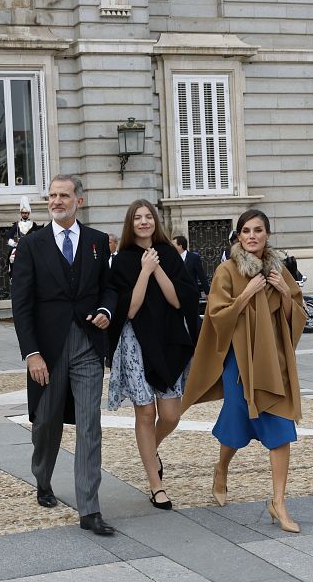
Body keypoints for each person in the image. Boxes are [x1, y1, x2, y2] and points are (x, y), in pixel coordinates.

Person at [181, 209, 307, 533]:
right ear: (238, 236)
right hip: (239, 362)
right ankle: (221, 468)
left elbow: (299, 314)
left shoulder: (279, 271)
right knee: (237, 422)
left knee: (281, 427)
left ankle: (278, 503)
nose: (252, 236)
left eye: (259, 230)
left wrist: (282, 291)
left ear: (267, 235)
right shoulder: (227, 271)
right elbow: (216, 315)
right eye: (246, 231)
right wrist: (246, 294)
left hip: (273, 360)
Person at [11, 174, 117, 536]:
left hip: (88, 346)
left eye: (64, 195)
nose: (57, 201)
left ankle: (89, 509)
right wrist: (32, 354)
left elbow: (110, 290)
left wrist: (106, 311)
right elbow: (21, 305)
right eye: (52, 195)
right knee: (46, 424)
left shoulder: (98, 242)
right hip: (48, 351)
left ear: (79, 201)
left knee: (90, 426)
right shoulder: (32, 245)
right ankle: (42, 478)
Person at [107, 200, 196, 511]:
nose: (143, 222)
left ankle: (149, 451)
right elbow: (129, 309)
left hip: (168, 339)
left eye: (148, 217)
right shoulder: (121, 261)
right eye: (137, 218)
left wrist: (157, 267)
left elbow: (177, 301)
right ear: (130, 224)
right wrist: (144, 271)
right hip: (136, 343)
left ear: (155, 222)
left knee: (171, 415)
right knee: (145, 414)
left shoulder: (169, 254)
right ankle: (156, 486)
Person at [172, 234, 207, 345]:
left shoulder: (193, 258)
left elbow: (201, 275)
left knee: (194, 318)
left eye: (173, 245)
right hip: (177, 295)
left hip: (192, 294)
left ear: (180, 245)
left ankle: (197, 342)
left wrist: (208, 292)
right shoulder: (172, 259)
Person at [6, 196, 42, 277]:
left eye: (26, 213)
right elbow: (9, 235)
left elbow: (37, 236)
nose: (24, 214)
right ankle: (13, 275)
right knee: (12, 258)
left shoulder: (33, 224)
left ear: (28, 213)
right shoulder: (16, 224)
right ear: (21, 213)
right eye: (23, 213)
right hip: (19, 246)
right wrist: (14, 244)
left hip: (30, 246)